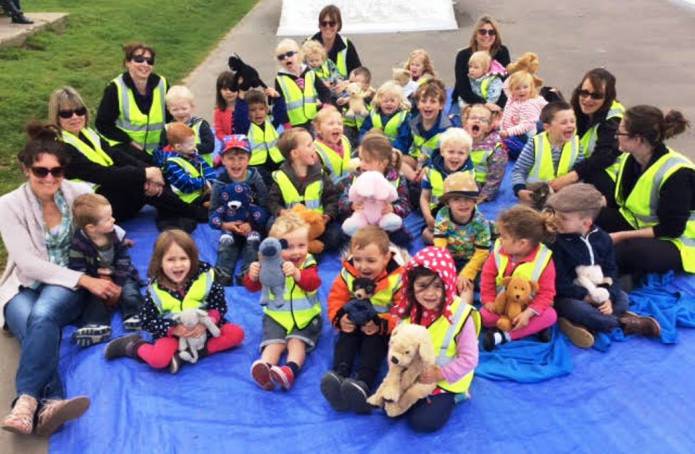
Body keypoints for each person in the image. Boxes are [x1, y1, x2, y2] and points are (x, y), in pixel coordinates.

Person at [0, 124, 124, 436]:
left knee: (42, 316)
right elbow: (27, 262)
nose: (50, 179)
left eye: (57, 172)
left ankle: (26, 402)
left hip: (64, 283)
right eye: (40, 171)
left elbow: (111, 228)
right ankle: (52, 400)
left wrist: (113, 262)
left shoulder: (78, 193)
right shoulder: (8, 205)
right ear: (26, 169)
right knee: (32, 324)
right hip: (27, 283)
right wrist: (87, 280)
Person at [49, 86, 205, 225]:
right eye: (66, 113)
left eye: (79, 111)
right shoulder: (61, 148)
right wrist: (144, 174)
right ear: (57, 116)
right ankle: (194, 212)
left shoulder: (87, 133)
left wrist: (151, 170)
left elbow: (115, 155)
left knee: (154, 169)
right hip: (89, 206)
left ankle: (191, 200)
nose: (75, 117)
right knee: (138, 183)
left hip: (106, 191)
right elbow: (101, 174)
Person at [104, 230, 244, 373]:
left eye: (183, 259)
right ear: (160, 262)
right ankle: (132, 345)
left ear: (192, 259)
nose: (178, 265)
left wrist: (208, 322)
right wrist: (173, 329)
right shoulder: (156, 289)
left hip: (204, 330)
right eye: (171, 260)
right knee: (159, 360)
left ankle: (184, 357)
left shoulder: (205, 278)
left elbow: (219, 305)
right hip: (174, 336)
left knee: (236, 333)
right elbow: (147, 320)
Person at [546, 184, 660, 348]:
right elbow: (559, 282)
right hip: (570, 294)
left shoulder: (602, 238)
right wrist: (586, 296)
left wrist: (609, 296)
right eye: (556, 214)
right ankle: (621, 323)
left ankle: (584, 324)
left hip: (599, 290)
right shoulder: (556, 242)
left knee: (622, 298)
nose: (556, 221)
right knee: (578, 309)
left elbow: (610, 270)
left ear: (586, 223)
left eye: (563, 218)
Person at [390, 247, 480, 432]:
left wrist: (440, 375)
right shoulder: (408, 310)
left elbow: (470, 359)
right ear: (412, 285)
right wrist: (396, 372)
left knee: (422, 422)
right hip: (414, 373)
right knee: (388, 405)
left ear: (448, 284)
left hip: (446, 379)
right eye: (422, 286)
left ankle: (457, 396)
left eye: (437, 286)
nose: (430, 294)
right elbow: (395, 346)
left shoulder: (462, 316)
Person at [597, 105, 694, 275]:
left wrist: (621, 236)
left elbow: (672, 229)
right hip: (642, 225)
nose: (616, 136)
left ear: (638, 139)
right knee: (589, 218)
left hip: (680, 241)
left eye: (620, 132)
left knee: (628, 252)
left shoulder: (677, 173)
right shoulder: (630, 157)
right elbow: (619, 200)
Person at [322, 226, 404, 413]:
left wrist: (382, 324)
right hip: (354, 320)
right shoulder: (348, 273)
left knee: (373, 347)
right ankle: (339, 375)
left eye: (370, 260)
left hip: (378, 327)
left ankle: (362, 384)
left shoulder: (398, 278)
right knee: (345, 339)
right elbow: (336, 298)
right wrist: (340, 318)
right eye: (357, 259)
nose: (363, 266)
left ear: (386, 257)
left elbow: (402, 310)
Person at [244, 213, 322, 391]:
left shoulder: (308, 262)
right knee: (274, 343)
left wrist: (297, 274)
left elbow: (313, 283)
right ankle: (265, 367)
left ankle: (289, 369)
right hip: (276, 316)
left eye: (301, 245)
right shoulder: (267, 263)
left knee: (296, 342)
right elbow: (252, 287)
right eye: (289, 247)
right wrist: (252, 276)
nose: (296, 252)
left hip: (305, 318)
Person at [68, 194, 144, 347]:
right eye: (108, 219)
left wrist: (119, 284)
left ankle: (136, 315)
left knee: (130, 291)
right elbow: (77, 266)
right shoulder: (79, 243)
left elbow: (124, 259)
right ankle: (96, 325)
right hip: (96, 278)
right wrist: (94, 281)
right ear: (91, 227)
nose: (113, 220)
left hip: (120, 272)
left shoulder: (117, 234)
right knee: (94, 297)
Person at [479, 205, 558, 351]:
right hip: (502, 303)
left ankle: (505, 336)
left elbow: (547, 294)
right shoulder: (498, 250)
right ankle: (532, 329)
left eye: (504, 237)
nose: (500, 240)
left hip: (527, 307)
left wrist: (528, 314)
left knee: (550, 315)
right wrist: (488, 299)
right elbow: (487, 276)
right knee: (484, 316)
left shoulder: (544, 260)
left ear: (522, 243)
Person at [549, 68, 625, 201]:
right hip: (587, 164)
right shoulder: (580, 110)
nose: (587, 99)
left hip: (610, 176)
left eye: (596, 95)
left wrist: (569, 177)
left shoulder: (613, 120)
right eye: (584, 93)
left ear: (608, 97)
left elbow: (603, 157)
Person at [267, 128, 342, 252]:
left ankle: (301, 246)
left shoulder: (320, 173)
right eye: (309, 145)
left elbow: (331, 198)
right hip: (292, 225)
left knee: (335, 235)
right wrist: (281, 212)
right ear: (295, 154)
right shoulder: (280, 176)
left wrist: (327, 216)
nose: (314, 148)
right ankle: (307, 246)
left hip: (316, 223)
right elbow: (272, 201)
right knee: (270, 225)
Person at [96, 42, 170, 162]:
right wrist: (129, 141)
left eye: (149, 61)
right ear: (128, 63)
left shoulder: (162, 84)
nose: (145, 64)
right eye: (139, 59)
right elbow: (103, 125)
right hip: (125, 149)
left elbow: (171, 117)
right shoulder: (115, 88)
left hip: (157, 151)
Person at [209, 135, 268, 285]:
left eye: (241, 158)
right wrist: (224, 225)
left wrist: (252, 224)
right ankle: (223, 272)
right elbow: (213, 212)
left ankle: (248, 272)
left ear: (249, 159)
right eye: (231, 158)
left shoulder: (256, 179)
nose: (236, 163)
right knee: (227, 242)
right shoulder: (220, 182)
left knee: (253, 241)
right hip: (229, 225)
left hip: (252, 226)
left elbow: (265, 206)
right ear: (222, 159)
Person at [337, 131, 411, 246]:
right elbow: (342, 200)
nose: (362, 164)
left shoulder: (396, 178)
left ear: (383, 163)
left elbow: (405, 205)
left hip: (384, 224)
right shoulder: (356, 176)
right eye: (361, 159)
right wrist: (351, 205)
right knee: (341, 235)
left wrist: (393, 208)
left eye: (367, 161)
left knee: (404, 238)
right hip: (362, 222)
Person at [432, 172, 492, 296]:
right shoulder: (442, 215)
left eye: (467, 199)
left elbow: (482, 252)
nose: (463, 204)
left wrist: (467, 273)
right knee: (437, 281)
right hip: (450, 257)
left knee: (466, 286)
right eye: (456, 199)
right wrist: (445, 264)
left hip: (471, 258)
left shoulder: (480, 221)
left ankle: (463, 313)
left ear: (475, 201)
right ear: (448, 203)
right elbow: (440, 242)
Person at [512, 101, 583, 205]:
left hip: (563, 190)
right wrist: (520, 190)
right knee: (525, 216)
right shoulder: (535, 143)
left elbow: (578, 172)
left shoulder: (576, 143)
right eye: (564, 122)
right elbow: (519, 170)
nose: (570, 125)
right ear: (547, 127)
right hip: (536, 190)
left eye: (572, 121)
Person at [420, 128, 474, 242]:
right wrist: (428, 217)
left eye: (461, 153)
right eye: (451, 152)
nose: (455, 156)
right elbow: (424, 197)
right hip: (438, 214)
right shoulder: (430, 170)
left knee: (473, 232)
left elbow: (471, 201)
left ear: (467, 155)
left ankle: (455, 243)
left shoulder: (468, 173)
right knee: (426, 234)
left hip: (460, 213)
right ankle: (451, 245)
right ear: (442, 151)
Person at [395, 79, 454, 182]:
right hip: (414, 162)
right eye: (423, 101)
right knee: (396, 158)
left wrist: (429, 166)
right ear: (418, 104)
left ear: (441, 105)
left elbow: (448, 156)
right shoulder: (411, 122)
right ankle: (413, 180)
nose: (427, 105)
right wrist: (395, 154)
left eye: (433, 101)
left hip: (435, 166)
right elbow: (401, 143)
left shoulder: (448, 129)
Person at [161, 123, 216, 232]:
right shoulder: (172, 163)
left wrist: (212, 181)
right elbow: (186, 184)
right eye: (190, 144)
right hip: (187, 199)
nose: (195, 146)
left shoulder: (193, 155)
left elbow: (206, 168)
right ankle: (210, 206)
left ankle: (212, 204)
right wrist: (205, 183)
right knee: (206, 215)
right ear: (178, 147)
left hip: (201, 192)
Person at [272, 39, 332, 130]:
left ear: (299, 54)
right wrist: (286, 122)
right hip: (294, 123)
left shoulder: (309, 72)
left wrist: (326, 105)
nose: (286, 58)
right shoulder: (280, 79)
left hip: (313, 119)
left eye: (290, 54)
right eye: (281, 57)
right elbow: (279, 104)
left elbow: (324, 91)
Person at [453, 15, 511, 107]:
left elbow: (506, 83)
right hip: (469, 101)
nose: (487, 35)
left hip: (497, 103)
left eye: (491, 32)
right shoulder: (463, 56)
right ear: (476, 35)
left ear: (496, 36)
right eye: (482, 32)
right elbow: (463, 88)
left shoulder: (502, 52)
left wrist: (497, 107)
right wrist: (485, 105)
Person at [233, 89, 284, 185]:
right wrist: (241, 99)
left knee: (288, 173)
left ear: (266, 109)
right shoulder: (245, 127)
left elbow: (281, 113)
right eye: (252, 110)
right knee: (267, 182)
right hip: (256, 165)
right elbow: (239, 117)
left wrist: (277, 98)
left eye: (261, 109)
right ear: (246, 112)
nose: (258, 113)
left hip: (276, 160)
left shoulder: (270, 122)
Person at [462, 104, 507, 202]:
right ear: (465, 123)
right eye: (473, 117)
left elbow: (495, 176)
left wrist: (484, 195)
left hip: (479, 186)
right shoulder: (459, 141)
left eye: (483, 120)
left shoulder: (495, 149)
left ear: (489, 127)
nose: (477, 121)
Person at [160, 85, 215, 166]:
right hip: (177, 171)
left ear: (192, 107)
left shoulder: (200, 125)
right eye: (175, 109)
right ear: (169, 110)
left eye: (184, 108)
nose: (180, 112)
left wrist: (188, 148)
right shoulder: (168, 129)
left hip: (202, 170)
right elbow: (161, 150)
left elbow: (210, 146)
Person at [499, 70, 547, 160]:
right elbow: (506, 111)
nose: (522, 91)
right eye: (517, 88)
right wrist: (501, 125)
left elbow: (526, 126)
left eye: (525, 87)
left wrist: (508, 132)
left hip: (523, 138)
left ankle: (525, 156)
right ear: (512, 90)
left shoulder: (528, 104)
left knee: (510, 152)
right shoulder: (513, 98)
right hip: (510, 132)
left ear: (531, 87)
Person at [309, 4, 362, 79]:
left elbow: (359, 74)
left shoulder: (347, 45)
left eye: (332, 23)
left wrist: (346, 83)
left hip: (341, 88)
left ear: (338, 25)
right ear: (320, 25)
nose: (328, 26)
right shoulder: (308, 44)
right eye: (324, 23)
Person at [358, 81, 410, 145]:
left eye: (392, 101)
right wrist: (364, 142)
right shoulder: (373, 114)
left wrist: (388, 149)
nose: (389, 103)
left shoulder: (404, 117)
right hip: (373, 147)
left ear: (399, 102)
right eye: (385, 101)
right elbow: (364, 130)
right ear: (379, 101)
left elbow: (404, 140)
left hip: (393, 150)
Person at [314, 105, 353, 184]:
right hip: (331, 192)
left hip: (349, 183)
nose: (336, 126)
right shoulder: (316, 150)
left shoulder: (345, 140)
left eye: (340, 124)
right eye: (331, 124)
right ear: (318, 129)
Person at [339, 67, 376, 147]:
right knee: (347, 145)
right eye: (351, 81)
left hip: (365, 127)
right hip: (348, 127)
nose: (352, 84)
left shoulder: (371, 95)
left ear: (367, 85)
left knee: (363, 145)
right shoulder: (347, 93)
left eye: (356, 82)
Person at [213, 71, 239, 142]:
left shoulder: (245, 107)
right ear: (219, 91)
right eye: (225, 89)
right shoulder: (218, 112)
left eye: (232, 89)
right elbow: (219, 131)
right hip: (228, 147)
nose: (229, 92)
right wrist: (229, 140)